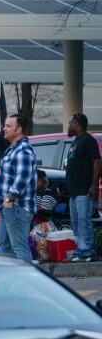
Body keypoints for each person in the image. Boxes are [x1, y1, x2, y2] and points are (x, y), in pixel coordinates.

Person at [0, 113, 38, 261]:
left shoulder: (23, 150)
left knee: (19, 248)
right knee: (4, 246)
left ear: (18, 130)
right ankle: (10, 283)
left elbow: (22, 177)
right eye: (5, 125)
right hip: (8, 207)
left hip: (17, 207)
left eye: (8, 126)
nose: (4, 129)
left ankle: (26, 283)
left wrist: (8, 198)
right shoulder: (14, 149)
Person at [65, 112, 101, 262]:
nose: (68, 125)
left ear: (77, 124)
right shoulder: (75, 142)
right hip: (73, 192)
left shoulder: (88, 140)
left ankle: (87, 251)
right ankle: (80, 249)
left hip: (84, 191)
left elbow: (97, 163)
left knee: (83, 220)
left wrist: (94, 185)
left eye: (70, 122)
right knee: (76, 222)